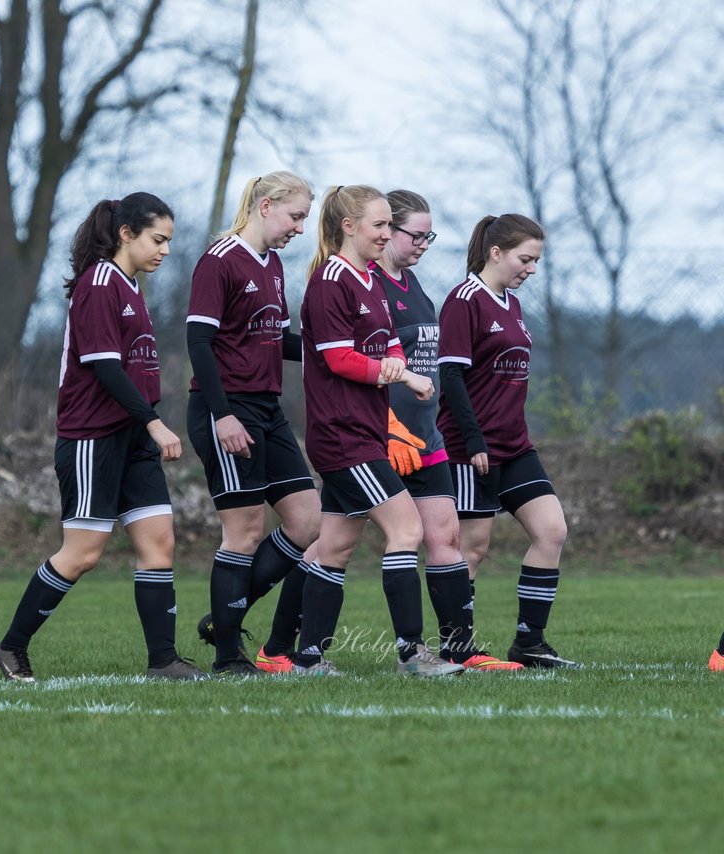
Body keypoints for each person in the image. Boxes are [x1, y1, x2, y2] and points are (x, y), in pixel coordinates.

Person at [0, 192, 205, 683]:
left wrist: (146, 424)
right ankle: (11, 647)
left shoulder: (131, 286)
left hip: (132, 439)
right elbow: (104, 366)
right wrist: (153, 422)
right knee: (83, 553)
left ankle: (164, 661)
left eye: (169, 241)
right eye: (158, 239)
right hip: (92, 437)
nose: (165, 250)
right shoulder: (100, 283)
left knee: (159, 544)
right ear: (127, 233)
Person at [293, 185, 462, 677]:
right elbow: (338, 358)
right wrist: (404, 374)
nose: (387, 234)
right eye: (379, 225)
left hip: (366, 433)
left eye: (391, 225)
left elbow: (388, 342)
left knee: (336, 546)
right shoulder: (330, 280)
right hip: (342, 437)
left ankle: (306, 658)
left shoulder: (369, 279)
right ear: (348, 226)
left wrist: (395, 361)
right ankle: (412, 653)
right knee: (406, 529)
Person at [374, 191, 523, 672]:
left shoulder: (413, 284)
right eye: (416, 235)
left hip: (426, 439)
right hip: (379, 440)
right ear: (385, 229)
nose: (424, 244)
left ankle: (458, 651)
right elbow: (340, 360)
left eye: (428, 235)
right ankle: (280, 647)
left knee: (446, 538)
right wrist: (391, 426)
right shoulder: (362, 284)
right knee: (326, 542)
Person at [184, 171, 324, 677]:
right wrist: (222, 415)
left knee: (308, 521)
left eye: (305, 218)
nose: (301, 228)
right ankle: (227, 657)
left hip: (267, 407)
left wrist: (335, 350)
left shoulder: (274, 265)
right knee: (242, 533)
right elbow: (198, 343)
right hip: (226, 409)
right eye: (296, 216)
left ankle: (225, 615)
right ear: (266, 206)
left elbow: (274, 340)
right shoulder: (219, 261)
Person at [436, 213, 578, 668]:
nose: (531, 269)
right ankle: (458, 650)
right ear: (496, 252)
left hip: (515, 446)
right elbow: (452, 376)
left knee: (552, 530)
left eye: (536, 260)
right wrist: (475, 439)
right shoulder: (464, 300)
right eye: (526, 258)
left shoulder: (511, 303)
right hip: (469, 447)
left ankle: (529, 642)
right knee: (471, 549)